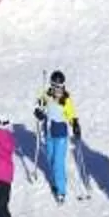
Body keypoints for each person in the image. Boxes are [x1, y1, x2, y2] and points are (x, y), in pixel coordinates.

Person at [31, 72, 77, 203]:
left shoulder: (66, 100)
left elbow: (71, 114)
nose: (58, 90)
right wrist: (39, 112)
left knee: (58, 162)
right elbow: (39, 106)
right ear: (51, 85)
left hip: (61, 135)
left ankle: (61, 190)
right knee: (51, 159)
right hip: (49, 133)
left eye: (60, 87)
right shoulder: (47, 95)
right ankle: (57, 180)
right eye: (55, 87)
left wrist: (75, 124)